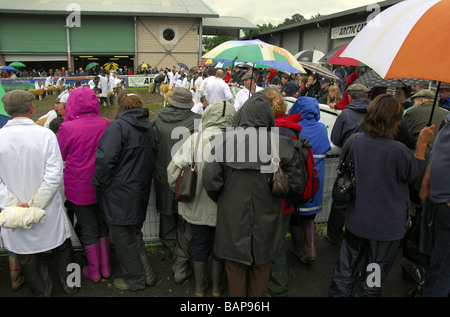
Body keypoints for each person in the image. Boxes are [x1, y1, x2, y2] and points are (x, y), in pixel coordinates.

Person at [328, 94, 435, 297]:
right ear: (395, 120)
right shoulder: (400, 151)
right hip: (386, 229)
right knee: (372, 277)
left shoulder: (354, 141)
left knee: (345, 271)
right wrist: (421, 144)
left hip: (357, 221)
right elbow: (413, 174)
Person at [202, 91, 304, 297]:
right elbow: (295, 185)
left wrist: (226, 199)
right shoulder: (282, 144)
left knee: (235, 271)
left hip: (232, 219)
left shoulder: (222, 143)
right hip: (268, 218)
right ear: (268, 115)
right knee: (262, 270)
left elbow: (211, 182)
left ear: (242, 115)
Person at [0, 90, 76, 296]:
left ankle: (41, 291)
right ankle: (72, 284)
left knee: (26, 256)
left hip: (15, 213)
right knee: (63, 248)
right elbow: (54, 175)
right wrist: (36, 204)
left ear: (7, 110)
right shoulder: (46, 135)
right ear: (31, 108)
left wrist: (17, 204)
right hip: (47, 209)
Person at [167, 99, 236, 297]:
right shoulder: (237, 142)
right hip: (225, 210)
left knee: (198, 243)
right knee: (219, 246)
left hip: (196, 207)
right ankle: (216, 288)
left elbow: (172, 174)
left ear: (208, 116)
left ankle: (199, 288)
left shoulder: (193, 140)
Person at [93, 91, 157, 291]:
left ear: (120, 106)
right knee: (133, 233)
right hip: (139, 189)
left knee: (123, 238)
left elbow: (105, 161)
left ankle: (135, 280)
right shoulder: (148, 127)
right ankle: (147, 275)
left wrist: (102, 183)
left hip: (119, 192)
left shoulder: (118, 127)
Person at [57, 87, 111, 283]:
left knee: (88, 228)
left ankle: (95, 270)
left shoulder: (67, 128)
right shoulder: (106, 123)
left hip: (79, 187)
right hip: (103, 185)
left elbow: (61, 154)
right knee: (103, 224)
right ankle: (106, 268)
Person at [150, 87, 202, 284]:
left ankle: (174, 255)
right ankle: (181, 260)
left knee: (167, 218)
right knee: (186, 221)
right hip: (189, 179)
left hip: (163, 178)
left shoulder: (156, 120)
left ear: (170, 101)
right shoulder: (198, 121)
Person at [263, 87, 302, 297]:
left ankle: (277, 284)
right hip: (288, 195)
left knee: (273, 243)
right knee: (278, 239)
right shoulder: (293, 128)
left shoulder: (271, 131)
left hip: (272, 196)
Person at [323, 84, 371, 244]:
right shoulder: (376, 113)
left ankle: (333, 234)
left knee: (342, 197)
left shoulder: (346, 114)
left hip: (350, 161)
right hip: (371, 162)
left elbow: (335, 139)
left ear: (349, 97)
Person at [288, 96, 331, 263]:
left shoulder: (297, 128)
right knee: (309, 217)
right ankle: (311, 249)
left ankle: (299, 249)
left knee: (295, 215)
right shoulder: (321, 128)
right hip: (316, 179)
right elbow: (327, 147)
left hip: (299, 178)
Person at [419, 114, 450, 297]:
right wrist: (425, 183)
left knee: (441, 270)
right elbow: (436, 154)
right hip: (437, 201)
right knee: (437, 262)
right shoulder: (446, 120)